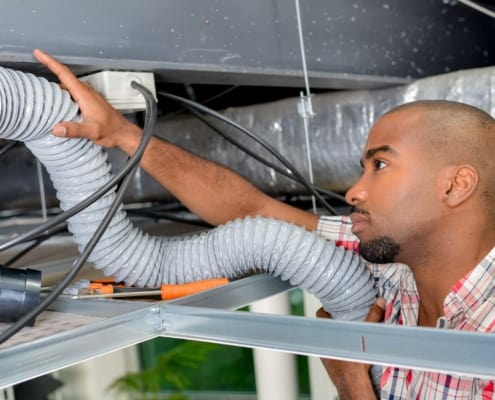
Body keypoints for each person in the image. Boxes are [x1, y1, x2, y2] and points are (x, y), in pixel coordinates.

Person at [32, 49, 495, 399]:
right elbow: (251, 212)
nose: (354, 191)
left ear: (456, 185)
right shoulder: (391, 262)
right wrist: (122, 133)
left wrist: (351, 381)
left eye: (379, 166)